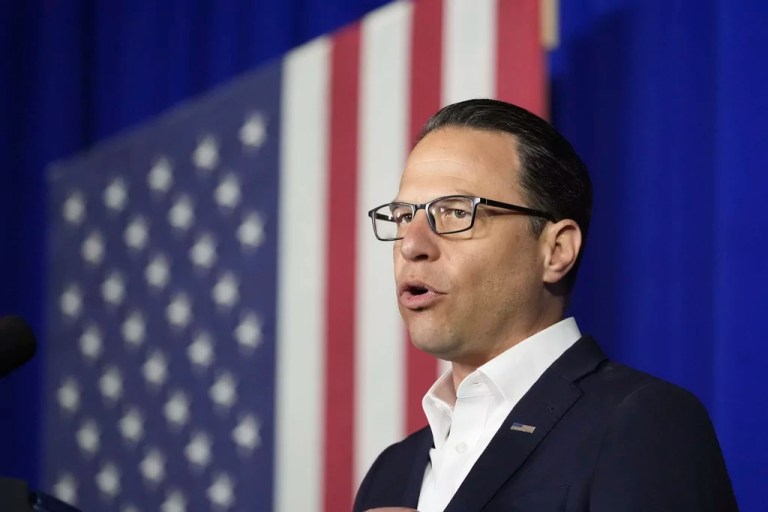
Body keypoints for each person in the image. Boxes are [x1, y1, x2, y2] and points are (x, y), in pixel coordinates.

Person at [353, 99, 737, 512]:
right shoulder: (388, 473)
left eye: (454, 212)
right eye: (402, 215)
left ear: (555, 250)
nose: (411, 245)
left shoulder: (642, 423)